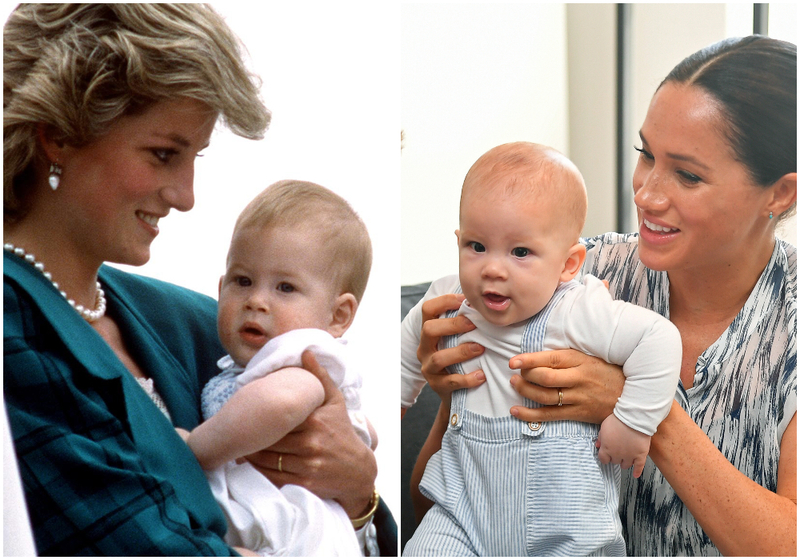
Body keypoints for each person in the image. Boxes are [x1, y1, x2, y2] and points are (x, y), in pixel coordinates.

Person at [3, 4, 392, 556]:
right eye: (164, 155)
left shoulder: (198, 322)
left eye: (194, 159)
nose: (186, 197)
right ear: (59, 135)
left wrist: (359, 494)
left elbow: (349, 512)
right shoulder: (11, 327)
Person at [410, 35, 796, 556]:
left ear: (780, 193)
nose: (647, 193)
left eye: (687, 174)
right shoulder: (569, 271)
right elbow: (429, 510)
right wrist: (458, 390)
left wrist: (642, 414)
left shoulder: (789, 323)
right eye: (646, 155)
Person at [401, 142, 682, 556]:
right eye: (476, 246)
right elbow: (402, 362)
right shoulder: (448, 299)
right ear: (458, 240)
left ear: (569, 264)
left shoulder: (577, 309)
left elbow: (658, 338)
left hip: (564, 530)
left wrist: (632, 423)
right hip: (459, 517)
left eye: (520, 252)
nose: (492, 268)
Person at [182, 180, 379, 556]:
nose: (256, 300)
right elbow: (367, 434)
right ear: (220, 287)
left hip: (293, 529)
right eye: (242, 281)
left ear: (338, 315)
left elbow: (281, 404)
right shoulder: (260, 363)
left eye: (285, 288)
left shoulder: (300, 355)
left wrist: (196, 448)